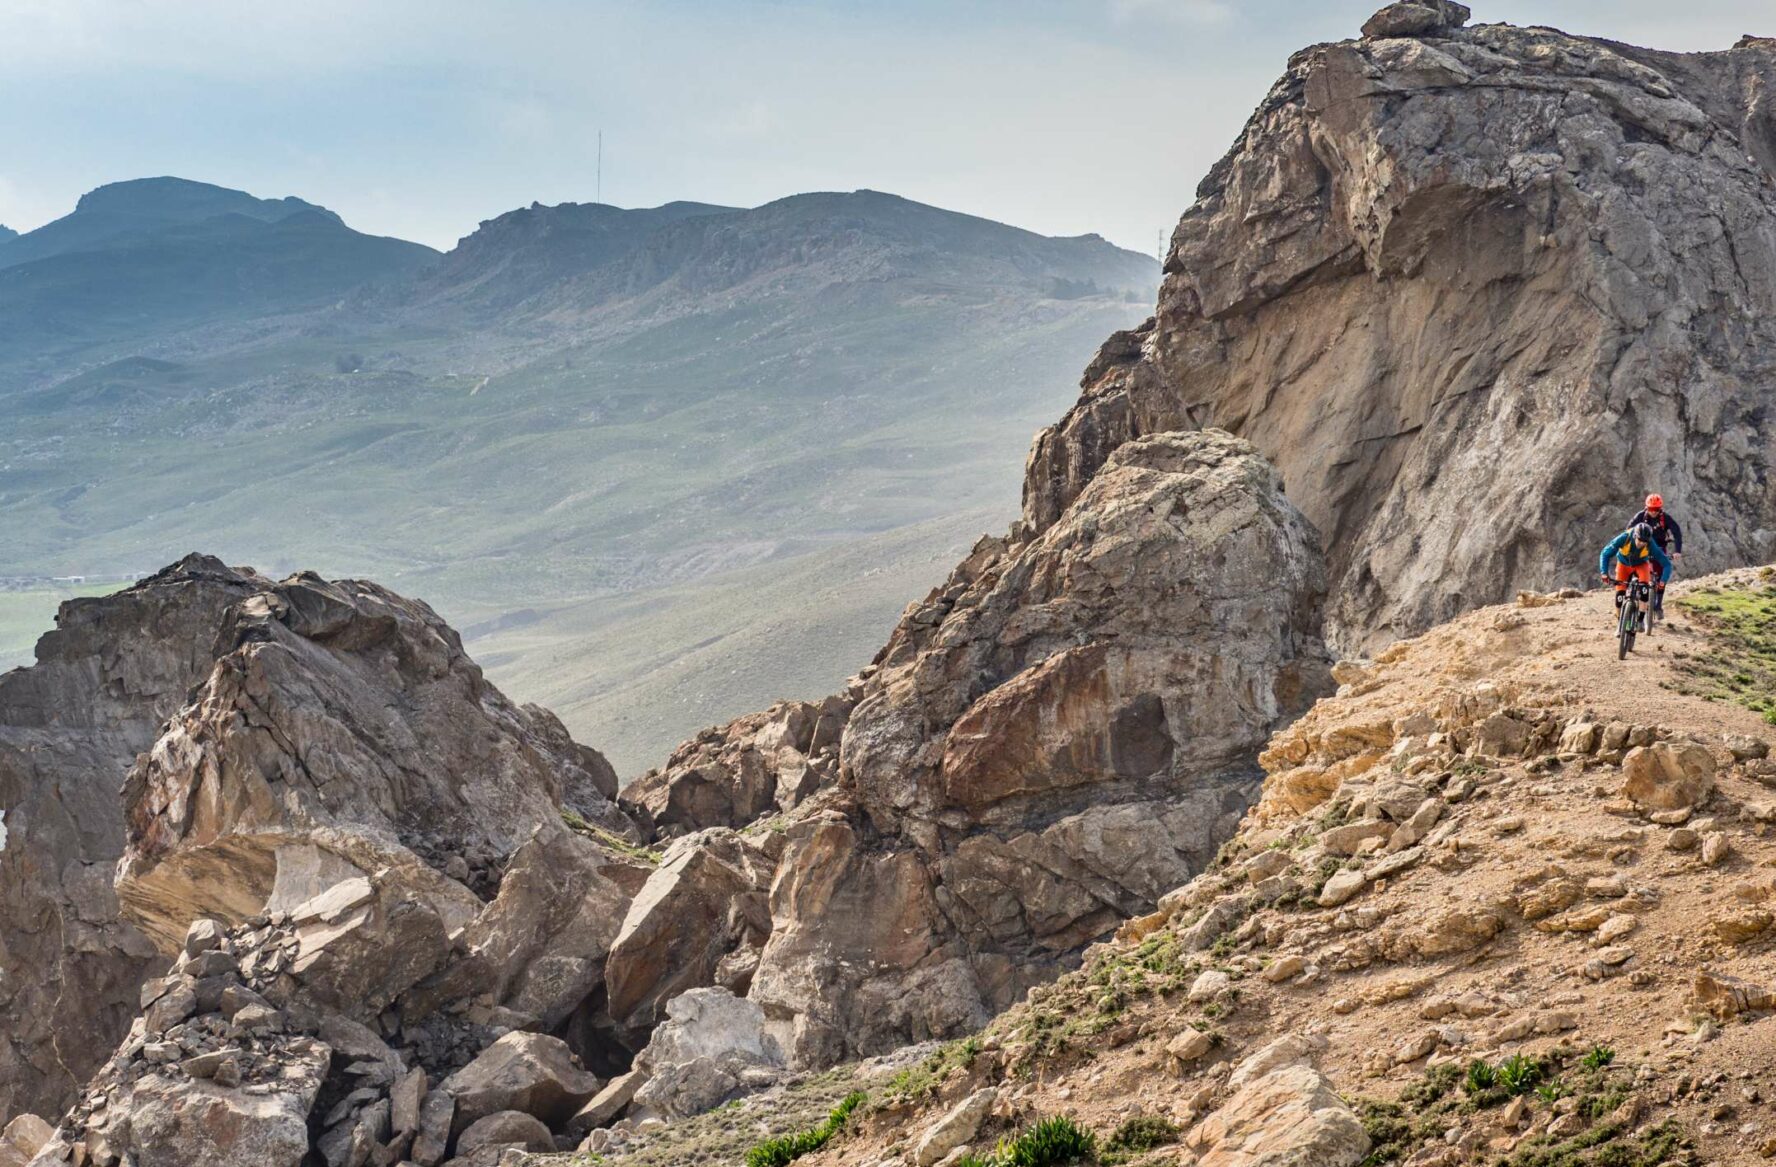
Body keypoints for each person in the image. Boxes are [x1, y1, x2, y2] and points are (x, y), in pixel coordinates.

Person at [1599, 521, 1674, 624]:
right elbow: (1605, 553)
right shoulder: (1624, 538)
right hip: (1623, 565)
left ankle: (1640, 620)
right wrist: (1604, 573)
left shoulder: (1651, 544)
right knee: (1619, 596)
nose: (1642, 543)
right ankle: (1620, 624)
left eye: (1645, 541)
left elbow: (1667, 564)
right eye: (1640, 540)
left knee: (1644, 590)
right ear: (1635, 535)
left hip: (1641, 565)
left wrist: (1663, 581)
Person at [1626, 493, 1684, 612]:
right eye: (1651, 509)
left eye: (1656, 509)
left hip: (1659, 547)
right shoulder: (1640, 516)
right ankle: (1630, 592)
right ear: (1646, 507)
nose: (1653, 512)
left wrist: (1677, 551)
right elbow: (1629, 530)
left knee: (1661, 574)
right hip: (1642, 545)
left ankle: (1658, 605)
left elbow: (1677, 533)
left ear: (1660, 508)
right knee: (1633, 567)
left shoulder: (1665, 518)